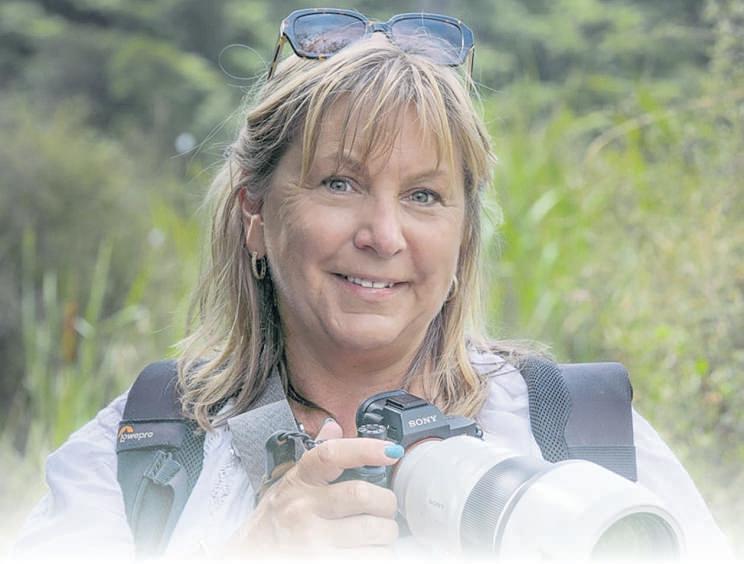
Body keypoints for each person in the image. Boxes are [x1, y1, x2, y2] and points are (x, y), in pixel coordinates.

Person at [14, 8, 731, 560]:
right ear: (255, 213)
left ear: (463, 238)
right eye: (340, 183)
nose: (384, 235)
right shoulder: (138, 454)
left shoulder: (580, 435)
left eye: (424, 196)